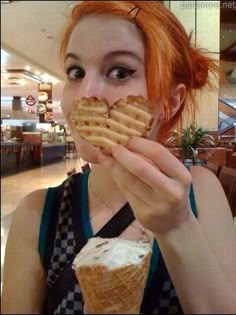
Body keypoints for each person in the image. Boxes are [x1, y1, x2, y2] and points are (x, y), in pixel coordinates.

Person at [2, 1, 236, 314]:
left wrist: (177, 226)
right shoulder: (38, 215)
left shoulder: (202, 194)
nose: (85, 95)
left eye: (119, 71)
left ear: (170, 100)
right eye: (76, 71)